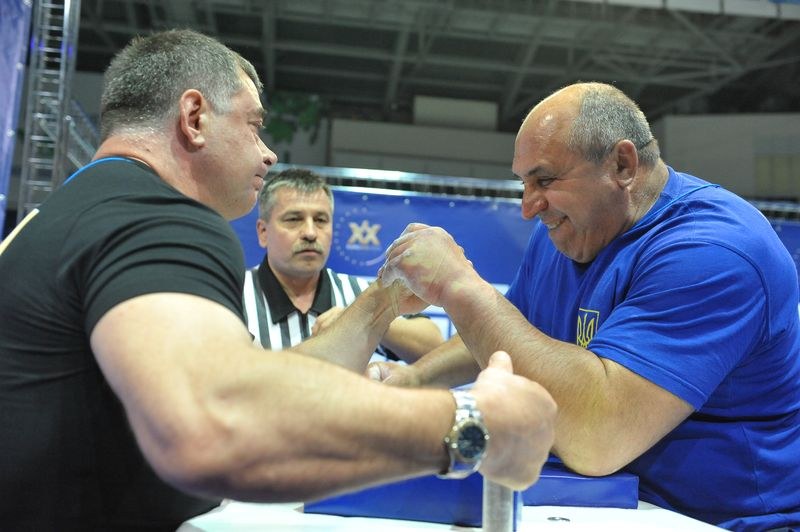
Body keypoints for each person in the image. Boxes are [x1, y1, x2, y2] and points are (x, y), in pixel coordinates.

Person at [0, 29, 556, 530]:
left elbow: (258, 384)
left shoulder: (85, 210)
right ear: (194, 118)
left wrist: (380, 305)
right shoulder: (159, 217)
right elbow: (216, 424)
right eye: (254, 125)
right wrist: (473, 423)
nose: (268, 153)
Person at [373, 82, 800, 530]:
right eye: (523, 183)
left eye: (544, 180)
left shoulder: (716, 253)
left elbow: (600, 438)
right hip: (606, 502)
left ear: (622, 164)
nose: (527, 207)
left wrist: (461, 286)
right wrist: (416, 378)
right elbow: (508, 335)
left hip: (723, 522)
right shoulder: (566, 230)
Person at [242, 167, 443, 366]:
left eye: (321, 220)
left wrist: (363, 319)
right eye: (294, 219)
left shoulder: (359, 295)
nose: (310, 233)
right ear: (263, 232)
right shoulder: (233, 294)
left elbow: (435, 350)